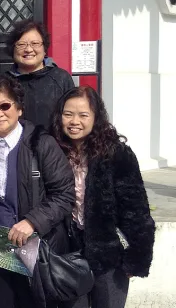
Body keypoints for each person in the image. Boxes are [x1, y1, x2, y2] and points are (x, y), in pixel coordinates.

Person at [0, 74, 75, 308]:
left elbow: (65, 193)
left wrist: (33, 222)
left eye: (5, 105)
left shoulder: (40, 143)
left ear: (19, 108)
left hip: (35, 246)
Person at [50, 86, 155, 308]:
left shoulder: (116, 153)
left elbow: (136, 210)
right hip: (68, 252)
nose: (74, 121)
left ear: (96, 118)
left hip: (109, 253)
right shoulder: (53, 150)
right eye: (68, 114)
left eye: (83, 115)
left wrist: (136, 258)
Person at [5, 19, 75, 128]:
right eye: (21, 44)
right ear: (13, 49)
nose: (28, 49)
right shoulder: (4, 82)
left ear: (45, 48)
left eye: (35, 44)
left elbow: (72, 116)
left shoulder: (61, 78)